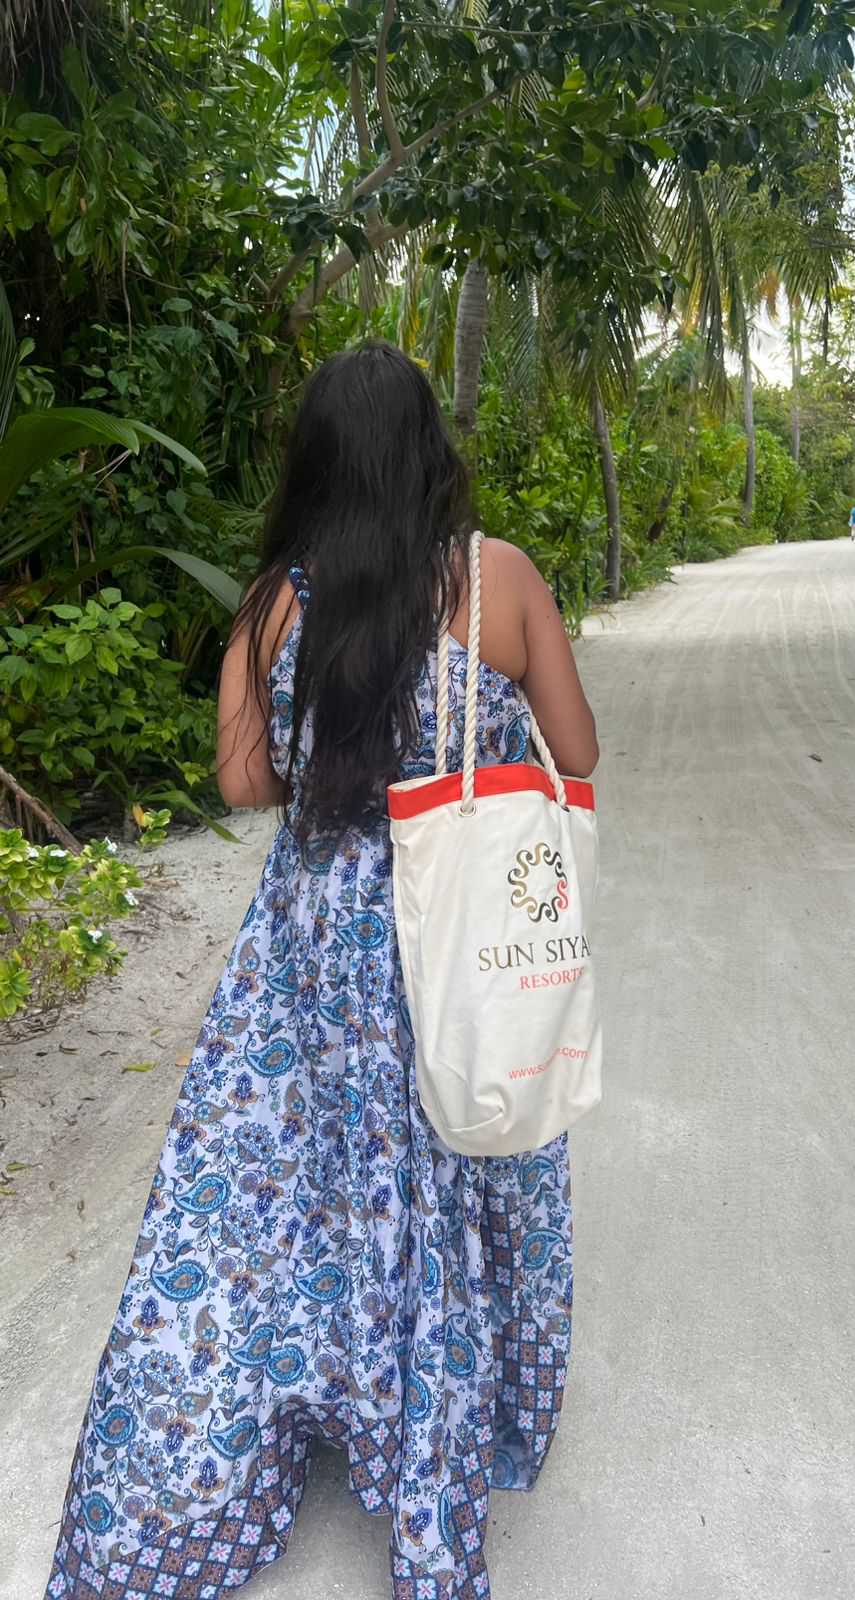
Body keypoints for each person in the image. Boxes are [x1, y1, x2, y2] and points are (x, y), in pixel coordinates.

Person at [45, 343, 599, 1600]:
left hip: (312, 935)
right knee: (452, 1160)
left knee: (279, 1184)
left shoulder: (275, 602)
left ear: (315, 465)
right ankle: (438, 1421)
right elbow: (576, 745)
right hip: (454, 929)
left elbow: (244, 783)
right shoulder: (496, 582)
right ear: (428, 453)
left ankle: (265, 1420)